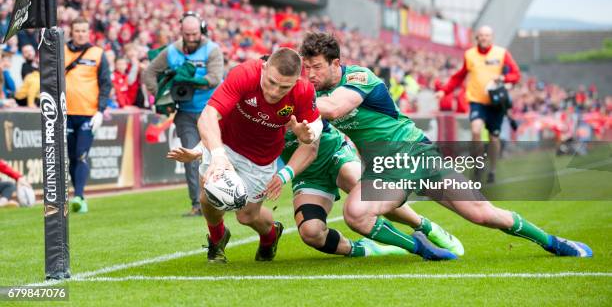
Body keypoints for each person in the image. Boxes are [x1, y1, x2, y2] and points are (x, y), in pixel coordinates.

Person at [300, 32, 592, 260]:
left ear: (335, 63)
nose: (310, 74)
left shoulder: (358, 77)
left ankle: (553, 242)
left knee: (482, 213)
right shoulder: (318, 90)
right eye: (306, 68)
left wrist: (297, 99)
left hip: (414, 153)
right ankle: (422, 245)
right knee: (356, 214)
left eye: (316, 67)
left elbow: (336, 108)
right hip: (385, 168)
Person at [169, 118, 464, 259]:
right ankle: (372, 249)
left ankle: (425, 227)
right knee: (310, 233)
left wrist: (282, 176)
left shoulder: (299, 97)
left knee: (364, 190)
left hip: (335, 155)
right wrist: (197, 152)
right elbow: (219, 129)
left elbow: (311, 147)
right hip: (307, 176)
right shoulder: (248, 112)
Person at [196, 48, 322, 263]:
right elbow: (208, 115)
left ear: (296, 81)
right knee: (208, 199)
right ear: (264, 68)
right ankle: (217, 239)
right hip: (225, 143)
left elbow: (312, 140)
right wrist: (217, 154)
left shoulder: (304, 91)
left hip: (260, 158)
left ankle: (270, 236)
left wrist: (308, 135)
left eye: (284, 87)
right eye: (271, 82)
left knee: (246, 216)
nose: (274, 92)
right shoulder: (244, 74)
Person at [144, 12, 224, 217]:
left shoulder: (212, 50)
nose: (191, 38)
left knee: (218, 153)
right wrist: (161, 97)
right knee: (189, 155)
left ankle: (225, 197)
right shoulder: (171, 52)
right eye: (187, 34)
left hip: (212, 110)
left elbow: (215, 78)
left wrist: (190, 80)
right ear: (181, 31)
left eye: (194, 33)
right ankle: (197, 204)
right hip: (186, 111)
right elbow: (149, 73)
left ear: (201, 30)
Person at [436, 26, 521, 183]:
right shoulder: (470, 55)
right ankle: (478, 164)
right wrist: (444, 91)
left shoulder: (501, 53)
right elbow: (458, 77)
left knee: (494, 138)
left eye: (487, 35)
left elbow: (516, 74)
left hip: (495, 103)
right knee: (475, 129)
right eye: (481, 35)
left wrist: (503, 78)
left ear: (492, 37)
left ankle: (493, 170)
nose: (484, 38)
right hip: (477, 101)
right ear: (477, 37)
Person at [65, 17, 112, 213]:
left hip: (88, 114)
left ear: (89, 32)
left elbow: (106, 84)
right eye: (77, 30)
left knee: (81, 155)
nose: (81, 34)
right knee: (71, 157)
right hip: (66, 113)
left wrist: (100, 111)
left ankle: (79, 196)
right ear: (72, 32)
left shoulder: (98, 53)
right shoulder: (61, 51)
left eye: (84, 30)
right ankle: (78, 194)